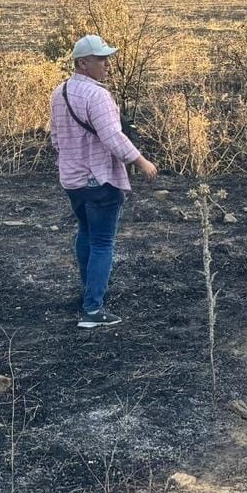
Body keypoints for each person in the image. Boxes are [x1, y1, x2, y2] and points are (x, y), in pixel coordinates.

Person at [50, 34, 159, 328]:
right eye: (101, 59)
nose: (108, 64)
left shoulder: (59, 92)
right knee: (102, 242)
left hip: (72, 181)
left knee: (86, 234)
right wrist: (141, 161)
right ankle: (93, 310)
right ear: (82, 63)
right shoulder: (97, 96)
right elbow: (113, 137)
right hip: (100, 180)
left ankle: (88, 295)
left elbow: (56, 140)